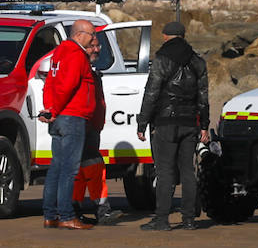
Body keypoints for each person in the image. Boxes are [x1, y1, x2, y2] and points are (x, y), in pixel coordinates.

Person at [135, 20, 210, 231]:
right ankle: (188, 219)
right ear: (183, 36)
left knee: (165, 171)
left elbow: (152, 92)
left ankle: (162, 220)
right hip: (189, 123)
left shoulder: (162, 59)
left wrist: (142, 122)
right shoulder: (198, 62)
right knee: (188, 170)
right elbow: (203, 97)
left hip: (166, 121)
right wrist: (204, 125)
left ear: (167, 36)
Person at [40, 19, 99, 230]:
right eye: (91, 34)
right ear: (79, 34)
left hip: (60, 117)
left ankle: (50, 215)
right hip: (72, 117)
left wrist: (49, 108)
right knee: (68, 170)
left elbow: (50, 83)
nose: (94, 38)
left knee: (56, 168)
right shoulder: (75, 54)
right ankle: (65, 215)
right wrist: (53, 109)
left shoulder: (59, 53)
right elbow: (67, 85)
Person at [72, 32, 119, 225]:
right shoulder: (78, 68)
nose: (97, 49)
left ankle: (74, 210)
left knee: (82, 169)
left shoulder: (87, 69)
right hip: (82, 125)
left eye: (98, 45)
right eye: (93, 45)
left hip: (89, 126)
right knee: (91, 167)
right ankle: (100, 210)